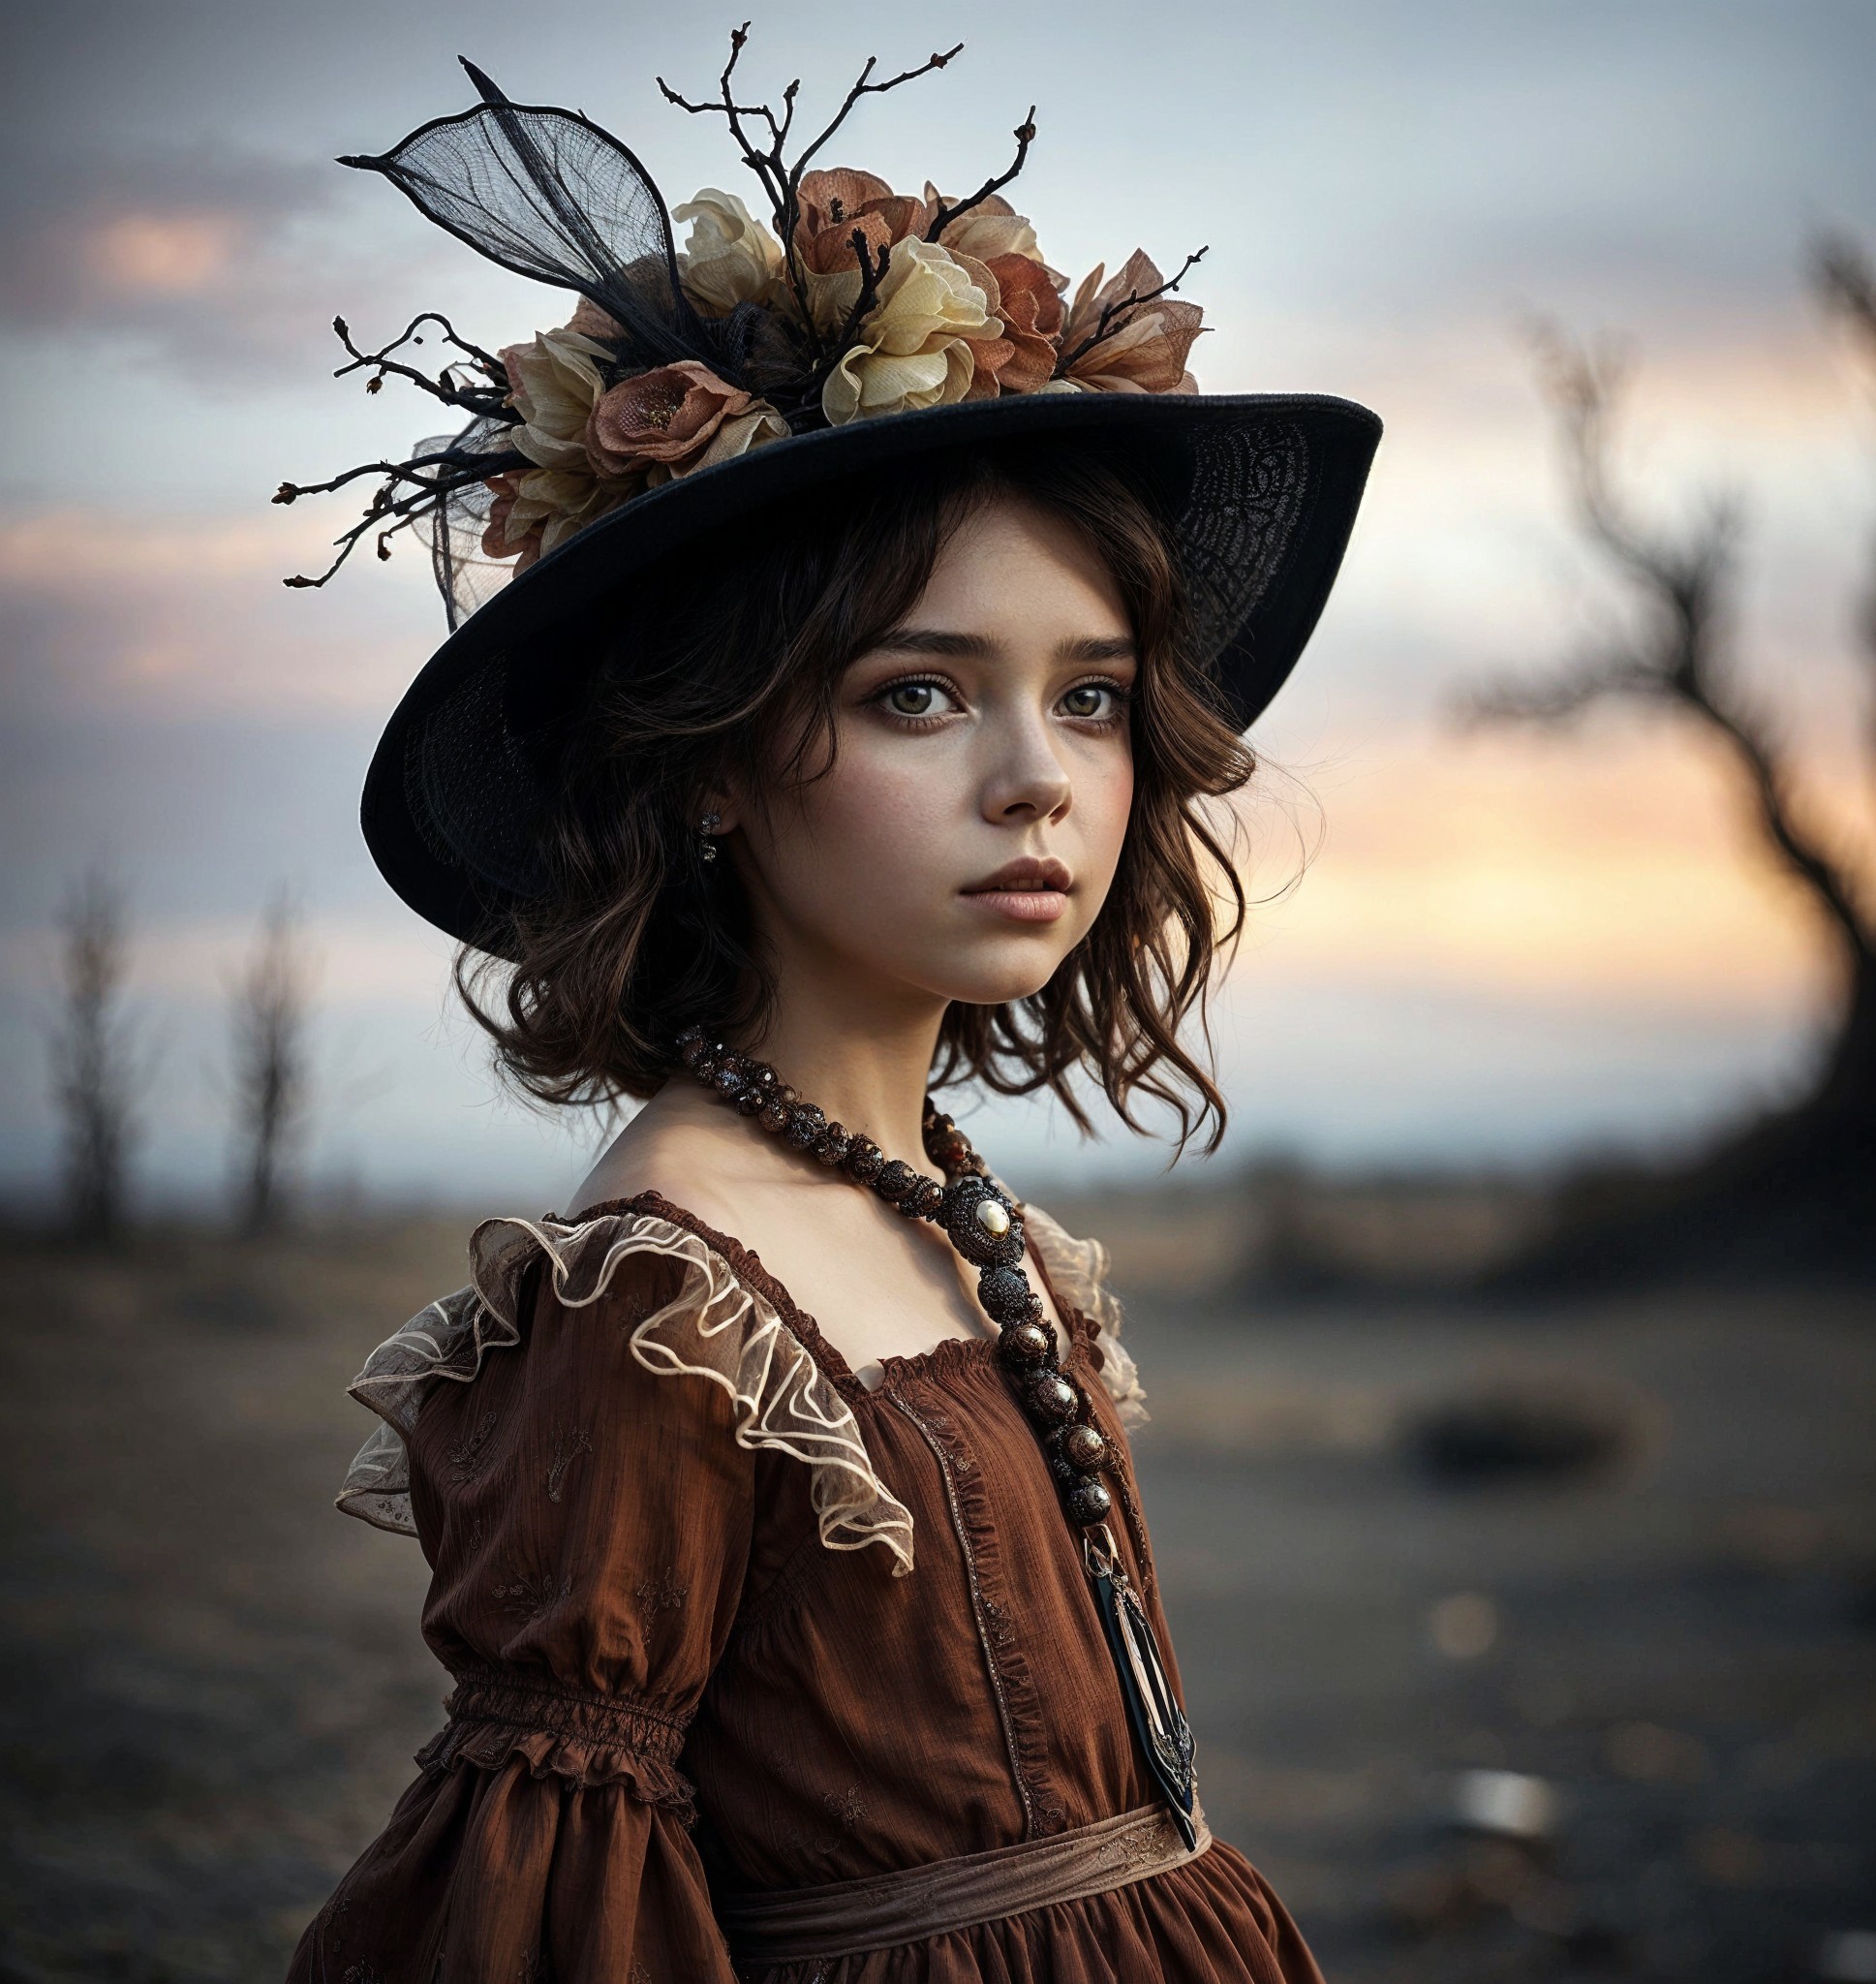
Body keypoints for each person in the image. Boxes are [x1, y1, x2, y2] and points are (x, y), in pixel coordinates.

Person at [282, 35, 1378, 1982]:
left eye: (1093, 693)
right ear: (713, 757)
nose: (1040, 778)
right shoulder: (665, 1303)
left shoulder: (958, 1204)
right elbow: (550, 1913)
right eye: (918, 693)